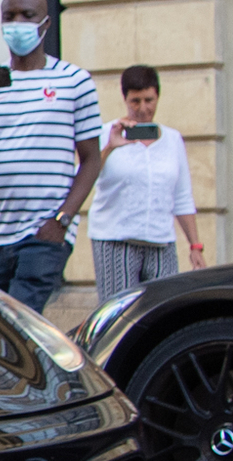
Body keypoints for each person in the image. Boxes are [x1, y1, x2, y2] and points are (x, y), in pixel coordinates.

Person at [0, 0, 105, 311]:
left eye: (27, 16)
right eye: (10, 16)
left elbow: (92, 159)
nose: (17, 23)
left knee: (18, 324)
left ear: (45, 24)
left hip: (44, 233)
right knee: (2, 331)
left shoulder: (74, 81)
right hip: (0, 236)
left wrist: (62, 221)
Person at [87, 64, 205, 296]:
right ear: (125, 99)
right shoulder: (104, 133)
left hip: (161, 241)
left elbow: (181, 197)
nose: (143, 109)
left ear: (158, 97)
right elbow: (85, 178)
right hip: (115, 240)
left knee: (163, 311)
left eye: (149, 100)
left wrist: (195, 246)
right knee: (119, 311)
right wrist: (110, 146)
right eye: (135, 101)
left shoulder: (172, 139)